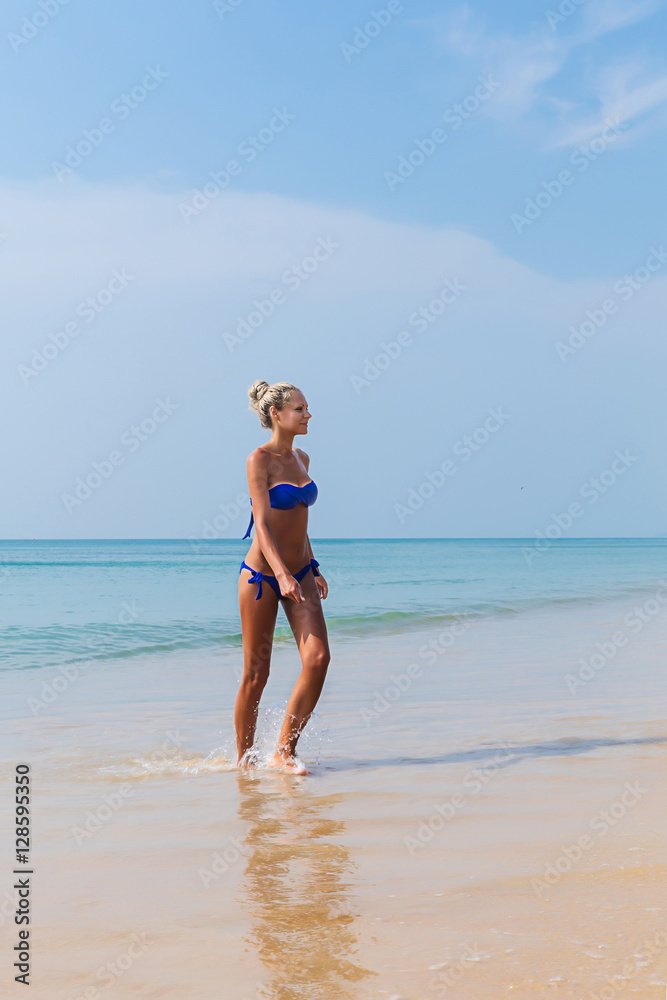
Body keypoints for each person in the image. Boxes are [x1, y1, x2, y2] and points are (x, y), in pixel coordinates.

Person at [235, 380, 330, 774]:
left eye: (307, 408)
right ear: (277, 414)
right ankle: (244, 765)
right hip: (262, 576)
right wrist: (280, 574)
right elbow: (262, 523)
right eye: (300, 409)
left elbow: (299, 521)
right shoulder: (259, 459)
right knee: (257, 674)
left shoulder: (303, 458)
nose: (308, 415)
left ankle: (284, 751)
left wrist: (313, 565)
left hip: (301, 572)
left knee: (319, 659)